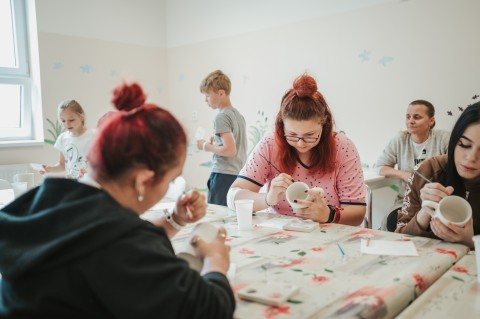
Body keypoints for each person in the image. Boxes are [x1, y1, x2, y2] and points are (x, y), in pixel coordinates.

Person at [0, 83, 235, 318]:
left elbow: (101, 235)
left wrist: (173, 219)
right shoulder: (122, 247)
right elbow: (209, 309)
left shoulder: (44, 200)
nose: (167, 189)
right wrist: (216, 259)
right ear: (143, 180)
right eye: (171, 180)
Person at [227, 74, 366, 226]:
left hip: (326, 236)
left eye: (310, 135)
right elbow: (232, 197)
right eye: (292, 135)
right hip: (278, 235)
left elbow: (357, 213)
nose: (300, 144)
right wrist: (267, 199)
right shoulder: (270, 143)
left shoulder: (342, 147)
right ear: (282, 125)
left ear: (324, 123)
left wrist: (329, 214)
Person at [396, 101, 480, 249]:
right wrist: (424, 213)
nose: (471, 157)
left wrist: (470, 242)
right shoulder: (428, 170)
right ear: (454, 141)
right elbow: (399, 237)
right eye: (464, 145)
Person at [375, 100, 450, 230]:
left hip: (437, 202)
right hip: (405, 202)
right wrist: (405, 175)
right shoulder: (400, 139)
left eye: (417, 117)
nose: (410, 121)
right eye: (408, 116)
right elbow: (380, 167)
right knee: (392, 221)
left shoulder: (443, 139)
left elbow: (455, 167)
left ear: (431, 121)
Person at [196, 70, 247, 206]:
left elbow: (230, 151)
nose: (205, 100)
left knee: (217, 214)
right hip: (238, 173)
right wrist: (216, 146)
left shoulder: (221, 116)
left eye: (207, 96)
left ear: (221, 93)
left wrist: (205, 146)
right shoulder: (238, 116)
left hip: (224, 174)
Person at [42, 99, 96, 178]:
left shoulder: (94, 135)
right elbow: (62, 164)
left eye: (71, 120)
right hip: (72, 184)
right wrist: (49, 169)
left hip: (89, 184)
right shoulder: (63, 138)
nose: (67, 124)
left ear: (81, 116)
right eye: (63, 121)